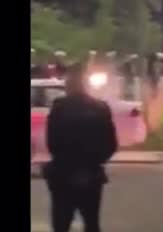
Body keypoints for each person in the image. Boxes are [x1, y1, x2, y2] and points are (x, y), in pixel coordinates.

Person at [42, 64, 118, 232]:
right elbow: (111, 144)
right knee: (92, 223)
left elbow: (52, 142)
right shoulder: (100, 108)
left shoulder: (59, 107)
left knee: (61, 224)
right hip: (91, 175)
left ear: (68, 85)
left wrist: (66, 162)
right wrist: (93, 163)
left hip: (63, 174)